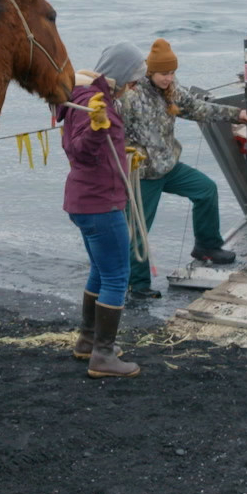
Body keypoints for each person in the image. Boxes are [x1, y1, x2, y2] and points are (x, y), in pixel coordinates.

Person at [117, 38, 247, 298]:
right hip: (142, 173)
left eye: (172, 72)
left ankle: (207, 246)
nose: (168, 78)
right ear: (150, 71)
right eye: (163, 73)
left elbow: (197, 108)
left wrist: (236, 114)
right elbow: (111, 129)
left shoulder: (171, 91)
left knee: (206, 189)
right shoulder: (131, 96)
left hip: (169, 166)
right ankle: (138, 285)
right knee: (138, 230)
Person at [60, 42, 145, 379]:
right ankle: (103, 355)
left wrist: (123, 153)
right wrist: (98, 129)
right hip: (99, 203)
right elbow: (81, 150)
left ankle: (88, 341)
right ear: (121, 77)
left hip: (85, 199)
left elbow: (90, 150)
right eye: (133, 81)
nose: (134, 88)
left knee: (100, 270)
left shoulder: (85, 96)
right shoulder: (95, 105)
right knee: (117, 276)